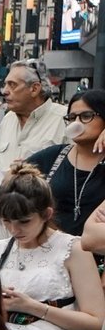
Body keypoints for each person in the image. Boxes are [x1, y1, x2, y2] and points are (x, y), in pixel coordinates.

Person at [0, 165, 105, 330]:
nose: (14, 230)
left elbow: (97, 324)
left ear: (46, 214)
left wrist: (31, 306)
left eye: (24, 222)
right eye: (6, 221)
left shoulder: (71, 249)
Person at [28, 88, 105, 237]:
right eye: (71, 117)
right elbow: (12, 182)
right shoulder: (55, 155)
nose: (76, 123)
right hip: (53, 253)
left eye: (86, 116)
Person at [0, 60, 66, 194]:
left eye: (12, 85)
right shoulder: (8, 119)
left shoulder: (65, 119)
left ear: (35, 88)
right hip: (3, 214)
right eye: (5, 84)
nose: (4, 91)